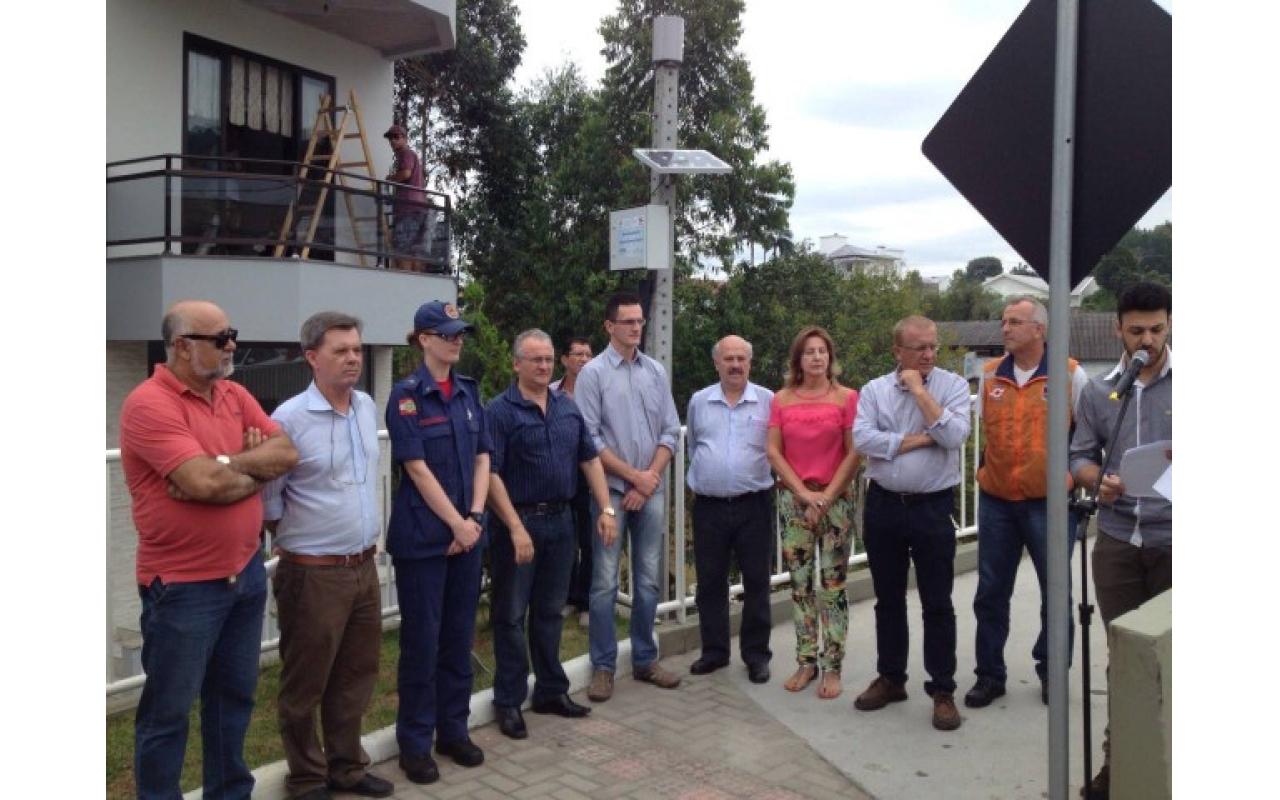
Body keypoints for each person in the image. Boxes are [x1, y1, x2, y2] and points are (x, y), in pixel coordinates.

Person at [120, 300, 298, 799]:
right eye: (220, 338)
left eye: (231, 334)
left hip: (244, 574)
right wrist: (246, 469)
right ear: (181, 346)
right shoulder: (149, 403)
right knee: (167, 714)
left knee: (233, 700)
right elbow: (202, 483)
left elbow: (285, 453)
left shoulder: (234, 394)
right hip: (182, 587)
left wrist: (227, 466)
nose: (232, 345)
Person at [261, 312, 392, 799]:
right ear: (312, 357)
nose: (354, 358)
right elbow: (271, 503)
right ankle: (307, 778)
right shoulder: (288, 419)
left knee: (356, 676)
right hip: (314, 574)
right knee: (305, 684)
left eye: (357, 349)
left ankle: (347, 768)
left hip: (363, 567)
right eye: (341, 350)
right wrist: (309, 544)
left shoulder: (363, 407)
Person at [485, 330, 617, 740]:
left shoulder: (567, 408)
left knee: (550, 611)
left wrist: (606, 508)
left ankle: (549, 691)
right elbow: (489, 475)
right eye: (534, 359)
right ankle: (508, 700)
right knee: (509, 615)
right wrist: (515, 527)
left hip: (562, 523)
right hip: (517, 526)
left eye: (546, 359)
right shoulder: (499, 412)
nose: (542, 366)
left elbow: (589, 459)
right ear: (516, 364)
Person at [1070, 282, 1172, 800]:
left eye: (1156, 328)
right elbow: (1079, 456)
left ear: (1170, 324)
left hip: (1177, 541)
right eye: (1137, 331)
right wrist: (1096, 478)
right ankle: (1117, 767)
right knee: (1123, 658)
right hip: (1116, 541)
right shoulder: (1099, 390)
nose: (1147, 340)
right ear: (1118, 330)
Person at [966, 296, 1091, 709]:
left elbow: (1089, 436)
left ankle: (1052, 673)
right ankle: (989, 675)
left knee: (1056, 592)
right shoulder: (989, 376)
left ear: (1040, 329)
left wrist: (1073, 474)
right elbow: (986, 432)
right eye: (1004, 321)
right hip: (997, 500)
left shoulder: (1071, 376)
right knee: (990, 592)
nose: (1005, 328)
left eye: (1015, 322)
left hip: (1050, 504)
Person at [385, 300, 491, 785]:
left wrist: (473, 518)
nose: (457, 340)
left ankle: (454, 730)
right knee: (422, 644)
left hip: (465, 536)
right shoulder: (407, 396)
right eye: (447, 333)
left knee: (456, 638)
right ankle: (414, 743)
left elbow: (483, 459)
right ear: (424, 339)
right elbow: (416, 468)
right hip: (426, 541)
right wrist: (455, 524)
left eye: (460, 332)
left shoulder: (469, 393)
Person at [852, 315, 971, 731]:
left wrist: (921, 392)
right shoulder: (873, 390)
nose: (928, 354)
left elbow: (955, 436)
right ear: (897, 351)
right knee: (888, 598)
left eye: (933, 347)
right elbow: (863, 440)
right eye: (919, 348)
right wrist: (921, 439)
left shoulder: (953, 387)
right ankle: (891, 678)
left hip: (932, 507)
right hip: (884, 506)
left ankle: (942, 690)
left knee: (937, 602)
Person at [575, 291, 683, 701]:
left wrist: (648, 478)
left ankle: (644, 659)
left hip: (648, 491)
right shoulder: (593, 374)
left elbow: (670, 432)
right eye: (628, 322)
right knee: (603, 583)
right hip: (611, 494)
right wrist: (633, 478)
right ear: (609, 326)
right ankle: (603, 667)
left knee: (648, 579)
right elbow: (590, 439)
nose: (636, 328)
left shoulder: (655, 371)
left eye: (640, 321)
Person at [765, 326, 861, 699]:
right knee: (801, 584)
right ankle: (806, 661)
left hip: (836, 501)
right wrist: (803, 495)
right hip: (794, 501)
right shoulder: (781, 400)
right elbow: (774, 452)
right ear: (798, 359)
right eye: (809, 352)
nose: (817, 357)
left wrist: (825, 497)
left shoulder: (848, 397)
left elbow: (855, 452)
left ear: (830, 357)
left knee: (833, 586)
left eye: (822, 351)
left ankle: (833, 666)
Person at [687, 335, 777, 684]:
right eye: (729, 359)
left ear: (750, 363)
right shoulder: (699, 401)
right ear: (717, 363)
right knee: (710, 582)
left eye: (741, 358)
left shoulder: (767, 401)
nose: (735, 365)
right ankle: (714, 652)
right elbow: (695, 444)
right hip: (709, 506)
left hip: (753, 504)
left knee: (756, 580)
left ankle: (756, 655)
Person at [552, 336, 595, 625]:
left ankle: (587, 602)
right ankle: (567, 596)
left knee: (590, 539)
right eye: (577, 354)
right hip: (561, 472)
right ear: (565, 359)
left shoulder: (597, 389)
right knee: (566, 537)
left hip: (591, 470)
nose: (583, 359)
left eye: (588, 354)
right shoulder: (552, 391)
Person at [384, 123, 430, 272]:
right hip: (419, 209)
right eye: (390, 138)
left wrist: (390, 179)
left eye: (396, 137)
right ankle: (416, 284)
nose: (392, 141)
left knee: (403, 248)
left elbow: (406, 174)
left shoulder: (406, 153)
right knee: (414, 250)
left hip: (408, 209)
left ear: (405, 138)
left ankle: (405, 280)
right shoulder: (411, 155)